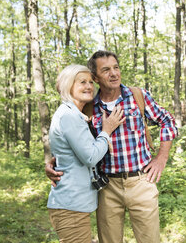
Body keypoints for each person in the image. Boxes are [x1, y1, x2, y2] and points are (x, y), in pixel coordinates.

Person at [46, 51, 178, 243]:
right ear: (96, 77)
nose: (114, 73)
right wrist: (56, 163)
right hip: (106, 187)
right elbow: (74, 141)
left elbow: (168, 121)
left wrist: (161, 158)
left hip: (141, 181)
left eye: (116, 68)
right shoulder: (89, 106)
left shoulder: (137, 96)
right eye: (106, 70)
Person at [47, 64, 125, 243]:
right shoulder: (69, 116)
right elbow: (90, 157)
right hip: (70, 206)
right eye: (82, 82)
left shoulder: (77, 114)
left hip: (75, 204)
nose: (89, 86)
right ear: (69, 86)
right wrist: (107, 130)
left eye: (91, 82)